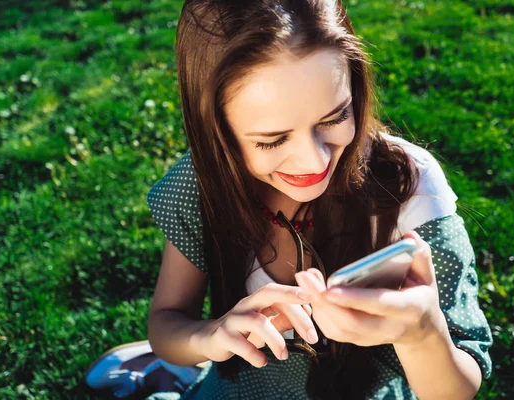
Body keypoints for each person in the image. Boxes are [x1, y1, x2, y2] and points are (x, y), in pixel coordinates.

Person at [84, 0, 493, 399]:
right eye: (272, 140)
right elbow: (166, 325)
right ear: (216, 135)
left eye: (335, 118)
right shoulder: (201, 184)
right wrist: (208, 337)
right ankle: (176, 379)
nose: (314, 160)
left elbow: (458, 388)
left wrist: (422, 333)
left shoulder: (409, 188)